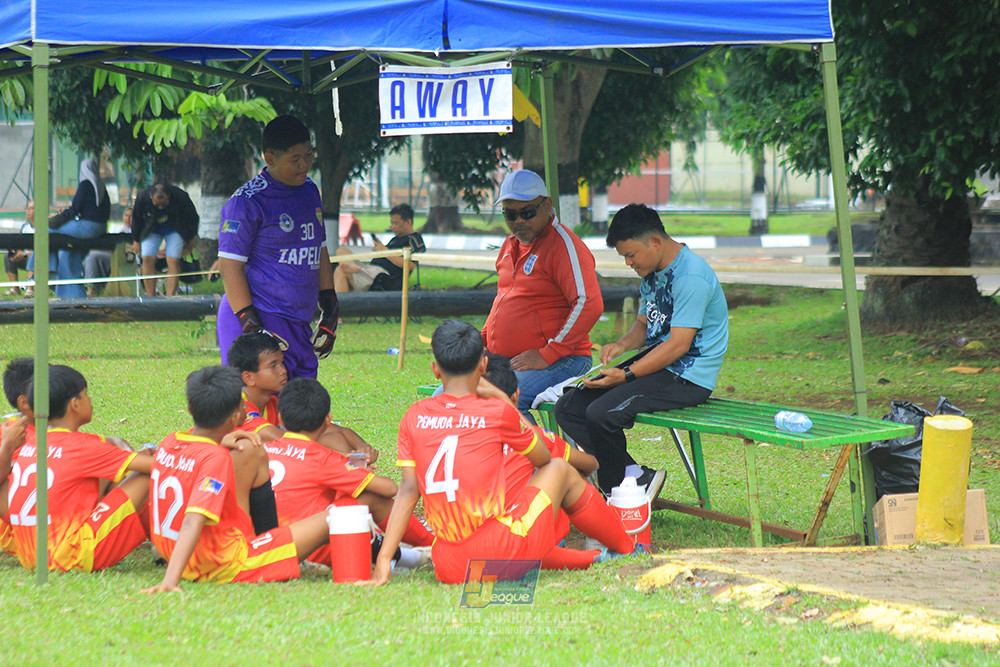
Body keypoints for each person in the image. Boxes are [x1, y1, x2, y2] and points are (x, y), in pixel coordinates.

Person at [368, 320, 638, 587]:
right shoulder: (498, 413)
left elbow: (407, 490)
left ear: (435, 370)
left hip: (447, 564)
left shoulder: (414, 415)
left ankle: (595, 558)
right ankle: (630, 549)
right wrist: (500, 399)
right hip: (494, 553)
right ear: (483, 365)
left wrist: (384, 559)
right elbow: (544, 460)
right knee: (559, 469)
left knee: (516, 526)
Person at [554, 203, 729, 498]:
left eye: (630, 255)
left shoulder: (691, 276)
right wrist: (620, 346)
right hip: (660, 365)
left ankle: (619, 497)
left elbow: (678, 345)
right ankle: (634, 477)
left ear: (656, 242)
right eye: (625, 257)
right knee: (569, 408)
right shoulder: (653, 271)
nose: (629, 263)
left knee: (601, 413)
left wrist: (625, 376)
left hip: (688, 377)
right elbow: (643, 326)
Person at [142, 365, 332, 592]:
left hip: (174, 550)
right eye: (242, 403)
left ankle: (269, 541)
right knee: (337, 515)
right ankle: (276, 552)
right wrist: (169, 582)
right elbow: (193, 519)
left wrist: (221, 441)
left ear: (190, 409)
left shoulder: (169, 442)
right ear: (235, 416)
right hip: (222, 563)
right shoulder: (215, 458)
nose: (245, 407)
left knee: (249, 449)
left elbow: (194, 461)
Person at [216, 115, 339, 380]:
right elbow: (229, 266)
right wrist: (251, 326)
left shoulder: (310, 191)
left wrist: (330, 304)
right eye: (295, 159)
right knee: (258, 414)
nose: (304, 165)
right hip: (261, 316)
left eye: (308, 155)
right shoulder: (247, 202)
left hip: (298, 322)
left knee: (304, 411)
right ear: (270, 158)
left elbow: (319, 248)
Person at [267, 378, 433, 569]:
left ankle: (406, 556)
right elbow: (389, 489)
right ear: (328, 419)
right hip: (310, 547)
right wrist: (362, 473)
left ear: (280, 419)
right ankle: (430, 544)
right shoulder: (323, 458)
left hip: (266, 543)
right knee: (366, 495)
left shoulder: (264, 449)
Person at [4, 364, 153, 572]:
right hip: (69, 556)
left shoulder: (30, 442)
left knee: (106, 474)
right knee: (146, 475)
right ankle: (163, 538)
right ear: (74, 404)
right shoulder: (82, 446)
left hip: (28, 555)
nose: (89, 400)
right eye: (86, 395)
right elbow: (157, 467)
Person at [482, 169, 603, 420]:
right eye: (510, 214)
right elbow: (503, 300)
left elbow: (589, 303)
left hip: (564, 360)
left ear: (547, 205)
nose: (518, 221)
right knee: (447, 396)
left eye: (527, 213)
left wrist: (548, 353)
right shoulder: (509, 244)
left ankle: (545, 458)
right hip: (508, 361)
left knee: (503, 401)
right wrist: (482, 343)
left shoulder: (562, 245)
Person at [226, 333, 379, 463]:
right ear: (249, 378)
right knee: (332, 443)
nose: (283, 371)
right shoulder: (239, 407)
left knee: (335, 439)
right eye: (273, 366)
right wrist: (340, 457)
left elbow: (327, 427)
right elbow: (289, 444)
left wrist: (364, 448)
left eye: (282, 363)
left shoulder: (273, 403)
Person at [37, 157, 111, 299]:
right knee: (66, 254)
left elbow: (74, 209)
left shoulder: (85, 184)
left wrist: (55, 220)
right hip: (101, 228)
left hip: (88, 228)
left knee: (47, 230)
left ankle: (48, 267)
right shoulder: (100, 186)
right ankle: (70, 294)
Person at [333, 203, 425, 292]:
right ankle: (355, 267)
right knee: (341, 250)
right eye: (391, 223)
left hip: (382, 275)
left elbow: (410, 265)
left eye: (396, 223)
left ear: (408, 222)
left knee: (340, 271)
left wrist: (385, 251)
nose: (392, 227)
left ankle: (355, 269)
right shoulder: (395, 239)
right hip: (371, 270)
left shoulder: (414, 239)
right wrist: (381, 250)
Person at [132, 183, 200, 297]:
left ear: (169, 196)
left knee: (173, 261)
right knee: (147, 258)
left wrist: (190, 237)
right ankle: (151, 297)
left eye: (163, 204)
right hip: (151, 229)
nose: (160, 207)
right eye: (157, 205)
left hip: (175, 229)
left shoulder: (181, 196)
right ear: (150, 196)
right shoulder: (142, 196)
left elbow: (192, 217)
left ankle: (169, 298)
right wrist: (136, 240)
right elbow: (136, 218)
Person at [84, 206, 133, 297]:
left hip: (127, 259)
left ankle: (92, 288)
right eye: (126, 215)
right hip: (111, 254)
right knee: (92, 255)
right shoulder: (117, 229)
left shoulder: (137, 231)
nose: (128, 218)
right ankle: (92, 287)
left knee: (93, 257)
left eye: (131, 216)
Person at [4, 201, 33, 297]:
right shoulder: (25, 227)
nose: (28, 211)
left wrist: (25, 254)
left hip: (42, 260)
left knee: (32, 256)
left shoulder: (45, 226)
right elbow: (21, 244)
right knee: (7, 257)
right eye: (27, 209)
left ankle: (30, 288)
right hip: (26, 258)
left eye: (31, 208)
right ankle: (15, 288)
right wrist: (17, 252)